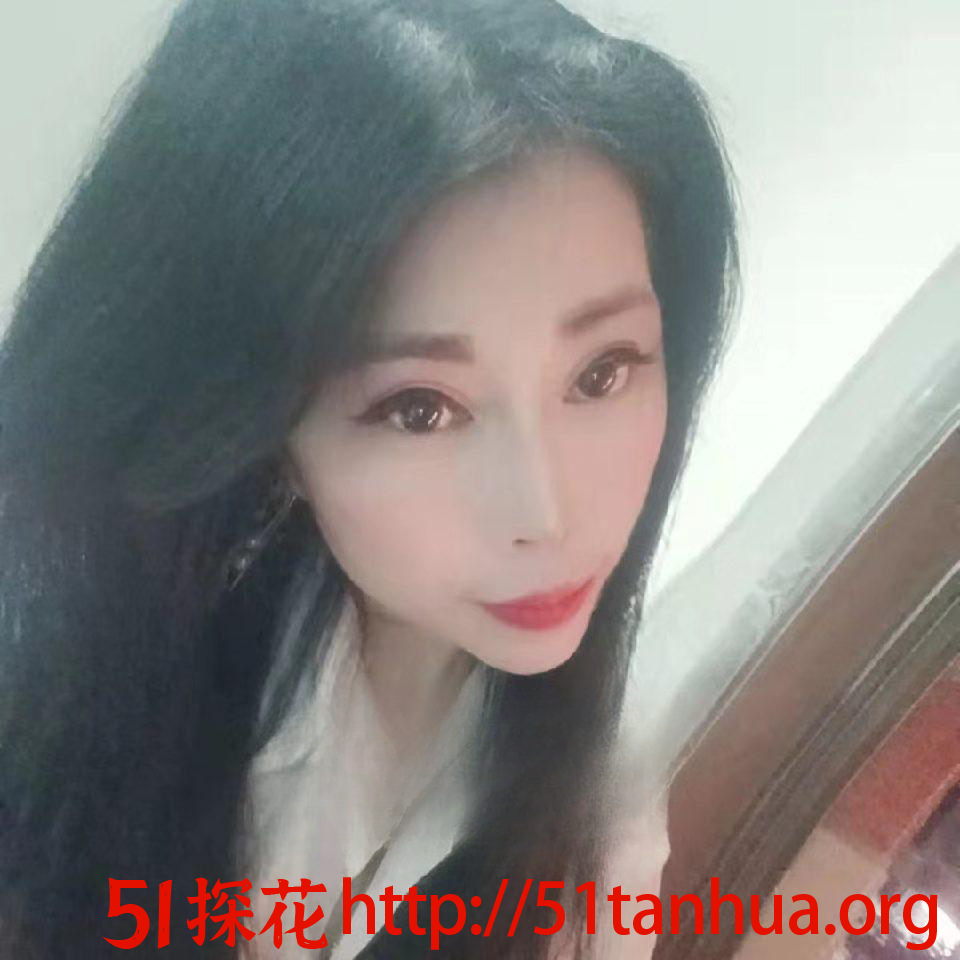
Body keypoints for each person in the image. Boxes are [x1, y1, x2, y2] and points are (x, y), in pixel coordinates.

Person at [0, 0, 739, 957]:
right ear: (261, 416)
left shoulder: (597, 792)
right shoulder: (61, 711)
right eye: (419, 408)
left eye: (602, 372)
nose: (545, 514)